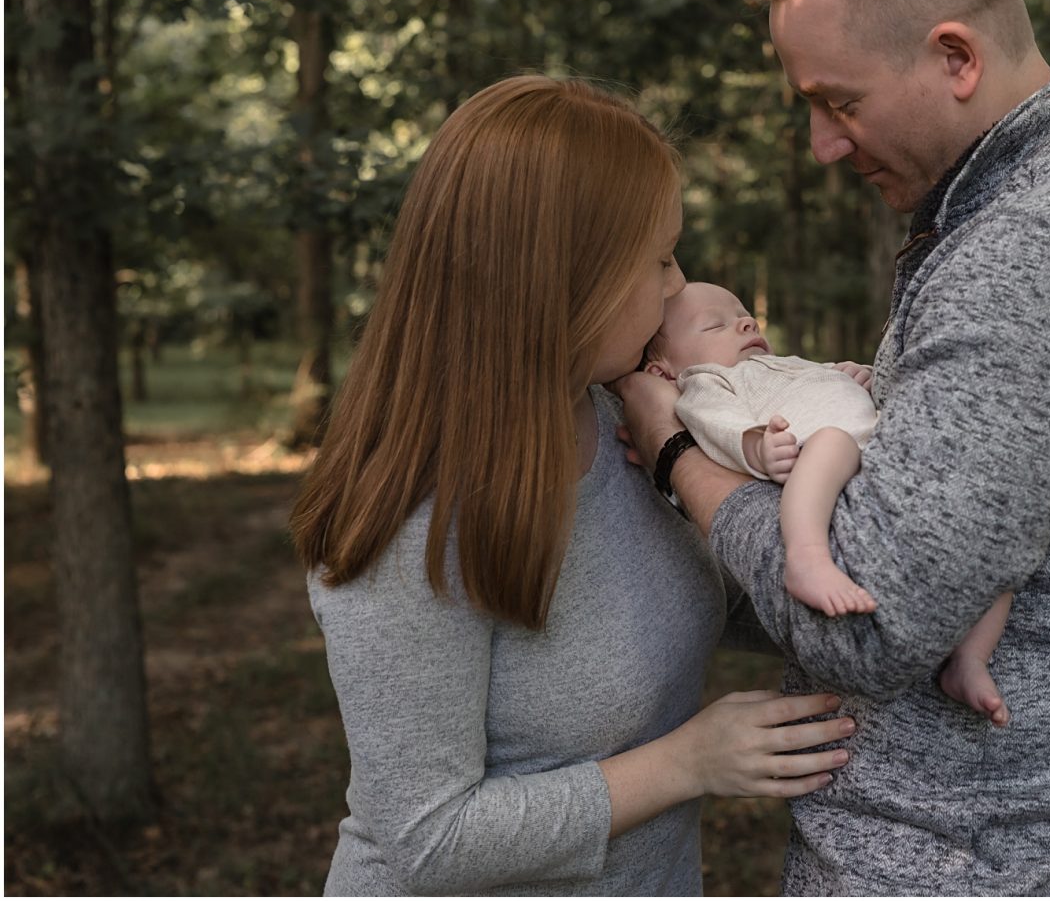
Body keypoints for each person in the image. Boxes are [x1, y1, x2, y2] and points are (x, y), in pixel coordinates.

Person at [613, 0, 1050, 895]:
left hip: (964, 868)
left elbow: (865, 621)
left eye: (838, 103)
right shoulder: (1004, 217)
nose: (821, 145)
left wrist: (680, 453)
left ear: (955, 57)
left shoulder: (1033, 258)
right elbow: (912, 562)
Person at [289, 75, 852, 896]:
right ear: (560, 278)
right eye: (656, 258)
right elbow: (429, 837)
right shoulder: (413, 518)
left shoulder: (615, 416)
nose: (676, 284)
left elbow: (716, 594)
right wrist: (688, 762)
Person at [642, 280, 1014, 724]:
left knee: (999, 553)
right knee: (832, 442)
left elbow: (830, 389)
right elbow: (712, 422)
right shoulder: (707, 380)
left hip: (885, 469)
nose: (745, 322)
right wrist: (757, 446)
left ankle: (969, 659)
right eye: (715, 325)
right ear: (664, 373)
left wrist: (854, 376)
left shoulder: (783, 365)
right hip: (829, 474)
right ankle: (806, 557)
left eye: (743, 314)